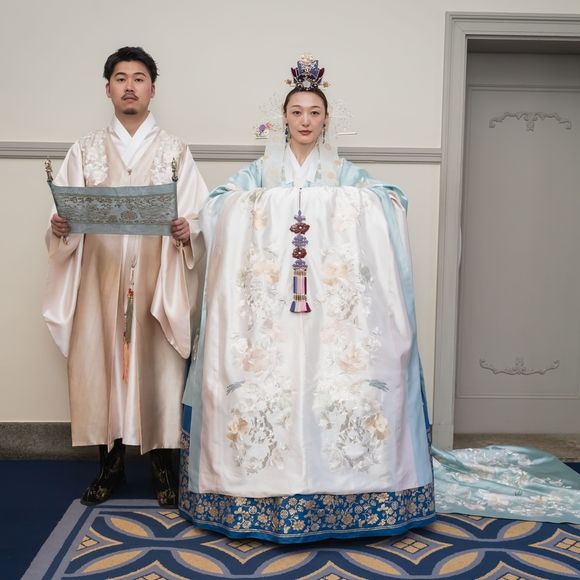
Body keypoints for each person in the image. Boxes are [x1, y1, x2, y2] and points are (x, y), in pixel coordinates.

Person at [179, 55, 435, 542]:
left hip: (332, 314)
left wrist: (325, 204)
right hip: (271, 315)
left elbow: (391, 200)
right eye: (296, 112)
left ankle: (352, 489)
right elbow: (218, 205)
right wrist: (271, 206)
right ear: (283, 118)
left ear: (326, 120)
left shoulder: (345, 175)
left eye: (314, 112)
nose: (305, 121)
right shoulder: (260, 174)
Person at [43, 46, 208, 507]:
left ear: (153, 89)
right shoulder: (85, 150)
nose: (130, 86)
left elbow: (198, 212)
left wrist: (188, 229)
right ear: (108, 89)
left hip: (157, 273)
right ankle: (109, 465)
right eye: (121, 78)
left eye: (139, 78)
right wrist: (60, 226)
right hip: (100, 273)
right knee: (101, 365)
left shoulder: (175, 150)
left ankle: (162, 467)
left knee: (158, 365)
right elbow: (63, 212)